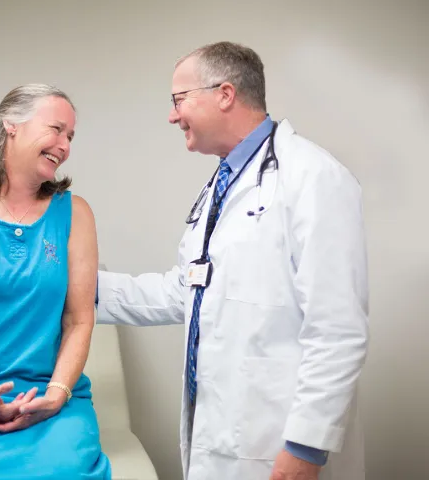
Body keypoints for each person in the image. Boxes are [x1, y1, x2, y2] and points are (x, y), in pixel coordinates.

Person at [96, 42, 368, 480]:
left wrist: (306, 447)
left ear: (224, 94)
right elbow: (187, 291)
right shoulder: (224, 184)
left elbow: (337, 328)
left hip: (277, 441)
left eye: (178, 100)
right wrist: (73, 284)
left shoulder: (314, 177)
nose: (172, 115)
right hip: (222, 430)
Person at [0, 84, 111, 479]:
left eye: (70, 136)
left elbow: (78, 320)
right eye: (56, 129)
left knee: (67, 469)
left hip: (48, 396)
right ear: (11, 125)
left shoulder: (75, 213)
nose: (64, 145)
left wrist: (57, 396)